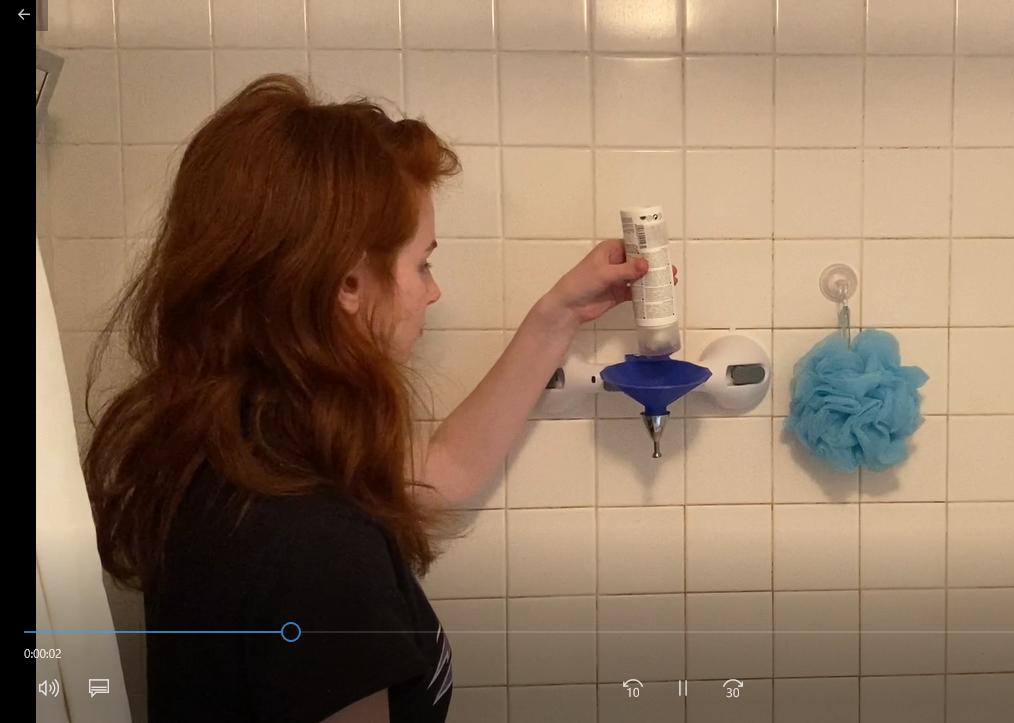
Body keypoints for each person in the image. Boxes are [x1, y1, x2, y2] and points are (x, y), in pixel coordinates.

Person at [82, 74, 674, 723]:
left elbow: (441, 470)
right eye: (421, 263)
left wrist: (556, 317)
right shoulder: (313, 546)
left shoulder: (237, 449)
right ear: (346, 283)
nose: (432, 291)